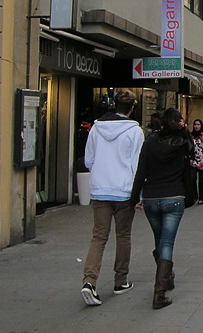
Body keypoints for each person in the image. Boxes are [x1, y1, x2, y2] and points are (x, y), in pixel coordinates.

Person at [80, 89, 143, 307]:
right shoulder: (135, 132)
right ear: (132, 108)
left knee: (99, 237)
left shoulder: (97, 128)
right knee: (123, 236)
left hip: (100, 189)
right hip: (124, 190)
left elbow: (89, 159)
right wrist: (139, 193)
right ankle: (120, 281)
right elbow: (137, 165)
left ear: (114, 105)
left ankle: (90, 281)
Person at [130, 108, 193, 310]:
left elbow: (141, 172)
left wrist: (135, 197)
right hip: (174, 197)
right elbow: (192, 153)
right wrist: (185, 130)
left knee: (160, 240)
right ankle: (159, 293)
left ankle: (168, 277)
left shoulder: (149, 143)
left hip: (151, 197)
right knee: (166, 242)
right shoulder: (182, 143)